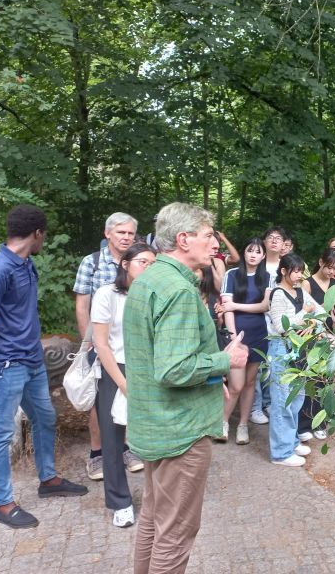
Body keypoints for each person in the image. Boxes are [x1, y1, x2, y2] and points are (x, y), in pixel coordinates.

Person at [123, 202, 249, 574]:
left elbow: (163, 357)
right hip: (180, 431)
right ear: (183, 239)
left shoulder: (148, 278)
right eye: (208, 236)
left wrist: (212, 375)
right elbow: (174, 369)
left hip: (155, 425)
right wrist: (226, 361)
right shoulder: (177, 291)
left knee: (153, 518)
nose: (215, 246)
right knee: (176, 531)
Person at [0, 205, 88, 529]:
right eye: (44, 235)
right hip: (7, 365)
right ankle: (4, 504)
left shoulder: (26, 263)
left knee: (45, 416)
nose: (44, 240)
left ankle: (48, 479)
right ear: (37, 233)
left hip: (32, 359)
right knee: (0, 433)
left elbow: (11, 313)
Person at [90, 242, 156, 528]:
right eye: (143, 261)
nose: (148, 267)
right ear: (125, 264)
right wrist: (123, 383)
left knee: (155, 437)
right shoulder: (107, 294)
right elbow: (101, 344)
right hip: (114, 369)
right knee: (113, 438)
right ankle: (120, 502)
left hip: (151, 369)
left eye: (153, 263)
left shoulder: (154, 295)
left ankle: (158, 498)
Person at [73, 212, 142, 481]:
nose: (126, 237)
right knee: (99, 401)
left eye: (130, 233)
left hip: (131, 345)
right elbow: (82, 305)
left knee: (127, 395)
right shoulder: (91, 263)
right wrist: (88, 343)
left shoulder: (138, 262)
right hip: (100, 344)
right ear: (108, 234)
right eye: (121, 232)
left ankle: (125, 448)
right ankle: (97, 454)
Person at [267, 254, 325, 466]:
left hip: (300, 350)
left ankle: (290, 442)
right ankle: (281, 453)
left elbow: (321, 313)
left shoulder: (301, 291)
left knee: (296, 398)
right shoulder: (277, 294)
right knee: (282, 401)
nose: (300, 275)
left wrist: (312, 324)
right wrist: (304, 314)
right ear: (284, 271)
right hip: (282, 349)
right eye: (296, 271)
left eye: (302, 271)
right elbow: (281, 326)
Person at [219, 237, 271, 445]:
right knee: (236, 384)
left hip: (259, 334)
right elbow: (226, 308)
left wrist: (236, 306)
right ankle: (221, 423)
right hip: (237, 335)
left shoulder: (266, 277)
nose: (253, 255)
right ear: (244, 252)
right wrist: (233, 338)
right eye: (250, 250)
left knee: (250, 382)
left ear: (263, 256)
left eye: (258, 252)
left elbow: (264, 306)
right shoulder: (231, 275)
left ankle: (242, 425)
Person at [300, 248, 335, 441]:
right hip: (313, 335)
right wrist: (321, 333)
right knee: (313, 379)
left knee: (333, 378)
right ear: (320, 262)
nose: (332, 272)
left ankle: (322, 421)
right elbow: (304, 313)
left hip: (331, 335)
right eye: (329, 267)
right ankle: (304, 424)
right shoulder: (307, 284)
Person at [251, 226, 288, 426]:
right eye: (270, 237)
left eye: (278, 238)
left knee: (274, 364)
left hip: (278, 324)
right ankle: (256, 406)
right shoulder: (256, 265)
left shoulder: (287, 266)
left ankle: (269, 403)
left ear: (284, 244)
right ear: (264, 242)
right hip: (257, 319)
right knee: (257, 365)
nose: (274, 241)